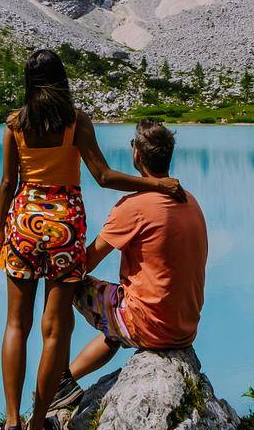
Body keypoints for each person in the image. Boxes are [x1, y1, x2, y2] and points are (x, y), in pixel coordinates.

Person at [0, 52, 183, 430]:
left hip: (23, 223)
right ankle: (38, 426)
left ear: (28, 83)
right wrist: (157, 184)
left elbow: (9, 182)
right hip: (64, 227)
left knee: (15, 324)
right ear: (61, 81)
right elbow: (103, 176)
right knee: (54, 327)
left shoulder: (14, 125)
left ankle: (10, 429)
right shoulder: (76, 121)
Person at [47, 120, 207, 413]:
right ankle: (65, 379)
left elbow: (85, 263)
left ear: (137, 156)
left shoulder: (133, 207)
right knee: (114, 325)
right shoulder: (190, 201)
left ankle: (54, 384)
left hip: (149, 326)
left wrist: (52, 258)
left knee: (63, 282)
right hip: (184, 327)